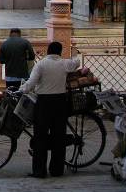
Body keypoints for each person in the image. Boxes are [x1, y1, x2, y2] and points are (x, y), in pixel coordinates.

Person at [20, 41, 81, 178]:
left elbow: (31, 83)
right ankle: (56, 170)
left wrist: (22, 89)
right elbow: (76, 62)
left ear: (48, 51)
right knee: (58, 137)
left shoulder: (41, 64)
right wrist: (74, 50)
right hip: (60, 102)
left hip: (43, 103)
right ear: (59, 52)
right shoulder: (64, 64)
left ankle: (39, 171)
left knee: (40, 137)